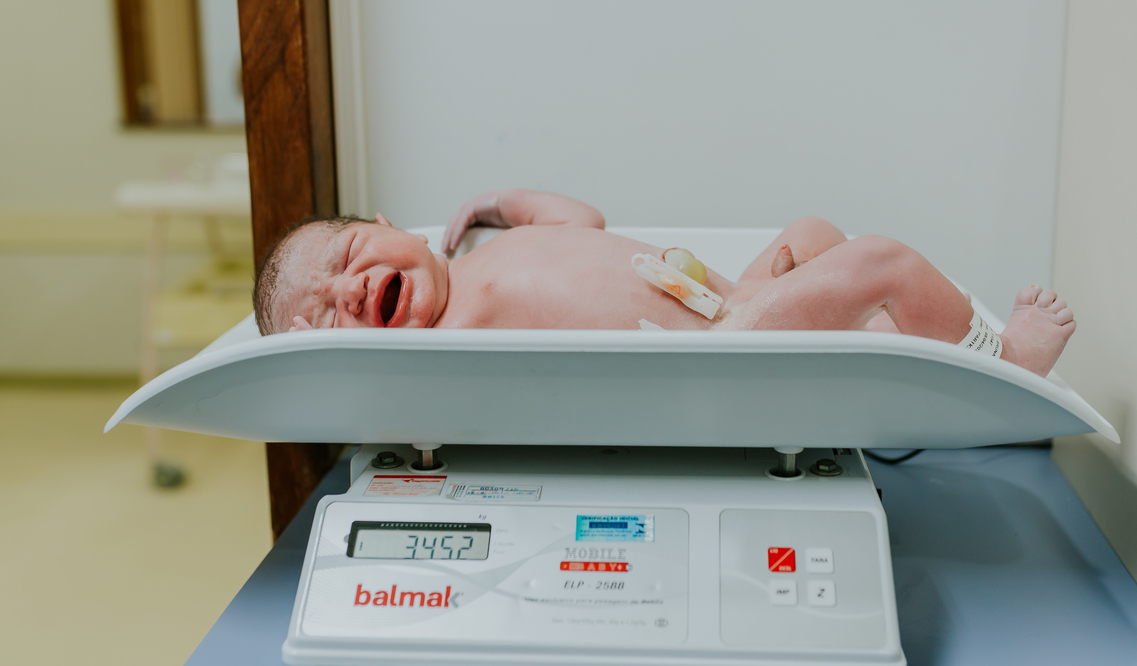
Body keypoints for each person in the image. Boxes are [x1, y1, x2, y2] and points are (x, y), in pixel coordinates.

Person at [253, 188, 1074, 376]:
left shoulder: (486, 259)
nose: (350, 289)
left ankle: (908, 357)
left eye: (351, 254)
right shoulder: (456, 334)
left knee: (813, 237)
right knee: (879, 258)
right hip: (715, 343)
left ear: (397, 226)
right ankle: (1001, 357)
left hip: (730, 303)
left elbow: (584, 219)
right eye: (327, 314)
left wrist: (507, 200)